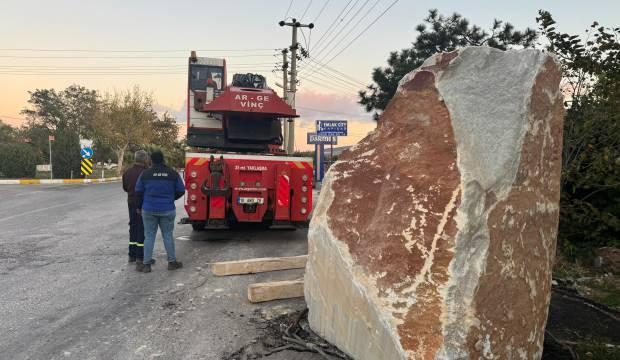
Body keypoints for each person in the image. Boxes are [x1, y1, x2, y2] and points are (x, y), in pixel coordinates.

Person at [135, 150, 184, 273]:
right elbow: (181, 190)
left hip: (148, 209)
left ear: (151, 160)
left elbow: (138, 191)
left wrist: (139, 206)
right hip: (167, 209)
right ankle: (172, 262)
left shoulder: (145, 174)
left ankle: (146, 265)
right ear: (163, 159)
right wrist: (171, 198)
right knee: (167, 235)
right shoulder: (172, 174)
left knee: (149, 236)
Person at [122, 150, 148, 264]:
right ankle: (140, 257)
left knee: (133, 227)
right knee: (142, 229)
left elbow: (125, 188)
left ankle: (131, 255)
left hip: (131, 202)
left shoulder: (127, 172)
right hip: (143, 204)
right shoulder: (147, 173)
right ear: (145, 159)